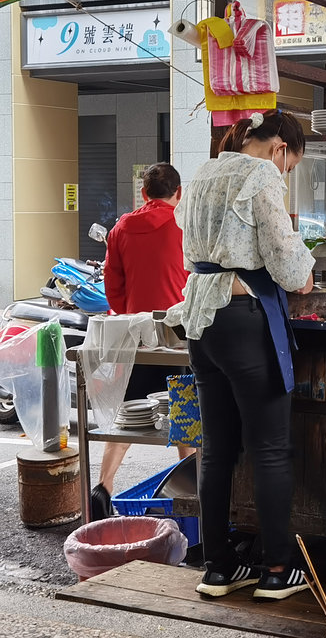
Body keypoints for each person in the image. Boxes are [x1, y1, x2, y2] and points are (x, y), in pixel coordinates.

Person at [167, 109, 314, 601]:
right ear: (279, 150)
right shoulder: (262, 173)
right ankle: (276, 569)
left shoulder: (206, 170)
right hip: (243, 318)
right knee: (270, 449)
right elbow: (287, 262)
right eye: (290, 164)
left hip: (201, 321)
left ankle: (218, 567)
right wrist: (305, 273)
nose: (285, 173)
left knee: (217, 448)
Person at [92, 162, 192, 520]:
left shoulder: (120, 228)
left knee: (130, 415)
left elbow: (112, 285)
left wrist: (130, 312)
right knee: (184, 413)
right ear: (178, 193)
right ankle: (193, 497)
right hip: (178, 337)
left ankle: (103, 485)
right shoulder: (184, 224)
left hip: (137, 335)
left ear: (144, 194)